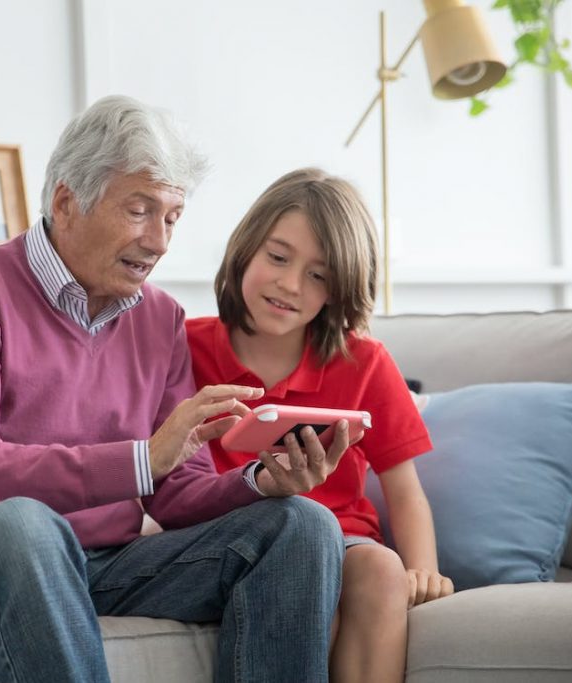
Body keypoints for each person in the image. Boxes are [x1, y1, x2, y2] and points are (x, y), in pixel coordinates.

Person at [0, 96, 351, 683]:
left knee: (302, 524)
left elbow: (177, 493)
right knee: (25, 523)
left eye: (172, 217)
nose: (158, 241)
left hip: (103, 564)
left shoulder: (160, 318)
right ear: (66, 201)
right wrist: (141, 458)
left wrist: (260, 482)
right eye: (139, 210)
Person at [186, 168, 455, 683]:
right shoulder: (180, 348)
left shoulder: (365, 361)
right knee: (306, 585)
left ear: (338, 289)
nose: (290, 285)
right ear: (246, 249)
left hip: (343, 541)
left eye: (319, 275)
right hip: (228, 541)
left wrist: (422, 569)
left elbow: (404, 489)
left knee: (379, 569)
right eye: (278, 257)